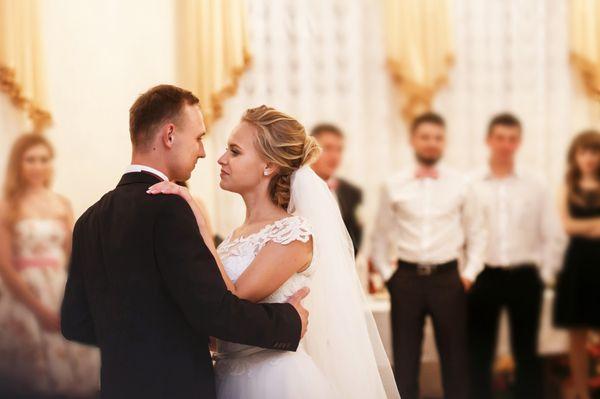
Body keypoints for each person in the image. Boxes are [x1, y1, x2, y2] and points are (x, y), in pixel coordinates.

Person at [60, 85, 310, 399]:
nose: (204, 152)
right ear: (169, 135)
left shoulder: (89, 219)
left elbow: (75, 323)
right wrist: (288, 322)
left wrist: (133, 337)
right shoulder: (169, 207)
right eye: (199, 138)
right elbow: (214, 312)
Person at [148, 105, 399, 398]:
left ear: (268, 166)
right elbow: (218, 324)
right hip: (227, 377)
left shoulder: (293, 233)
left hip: (275, 382)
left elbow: (231, 300)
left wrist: (199, 223)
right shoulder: (234, 237)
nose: (221, 158)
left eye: (235, 151)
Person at [371, 112, 486, 399]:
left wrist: (469, 275)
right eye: (425, 137)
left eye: (437, 137)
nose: (431, 143)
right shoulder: (393, 184)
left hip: (448, 279)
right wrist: (389, 276)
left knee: (456, 360)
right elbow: (379, 235)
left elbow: (478, 234)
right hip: (406, 279)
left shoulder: (462, 184)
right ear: (413, 140)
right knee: (406, 359)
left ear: (444, 142)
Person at [467, 113, 566, 399]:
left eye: (512, 139)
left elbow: (552, 233)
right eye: (500, 138)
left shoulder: (536, 184)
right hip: (484, 276)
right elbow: (462, 233)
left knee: (527, 352)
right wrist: (467, 272)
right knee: (479, 351)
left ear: (519, 143)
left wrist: (545, 274)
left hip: (525, 276)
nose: (505, 145)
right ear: (489, 140)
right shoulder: (470, 183)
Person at [0, 133, 99, 398]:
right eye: (30, 160)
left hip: (58, 289)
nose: (37, 166)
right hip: (23, 296)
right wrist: (39, 310)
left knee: (73, 379)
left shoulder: (61, 204)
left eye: (43, 159)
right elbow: (6, 267)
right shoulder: (8, 206)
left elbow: (74, 256)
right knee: (31, 381)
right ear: (18, 164)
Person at [553, 130, 600, 399]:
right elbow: (568, 225)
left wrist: (586, 227)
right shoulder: (567, 187)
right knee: (577, 334)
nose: (589, 158)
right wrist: (595, 225)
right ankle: (581, 392)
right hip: (578, 267)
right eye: (584, 152)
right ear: (575, 155)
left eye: (594, 152)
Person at [310, 123, 363, 254]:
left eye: (339, 150)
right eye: (327, 148)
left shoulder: (351, 192)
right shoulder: (292, 189)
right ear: (310, 149)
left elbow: (355, 237)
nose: (334, 156)